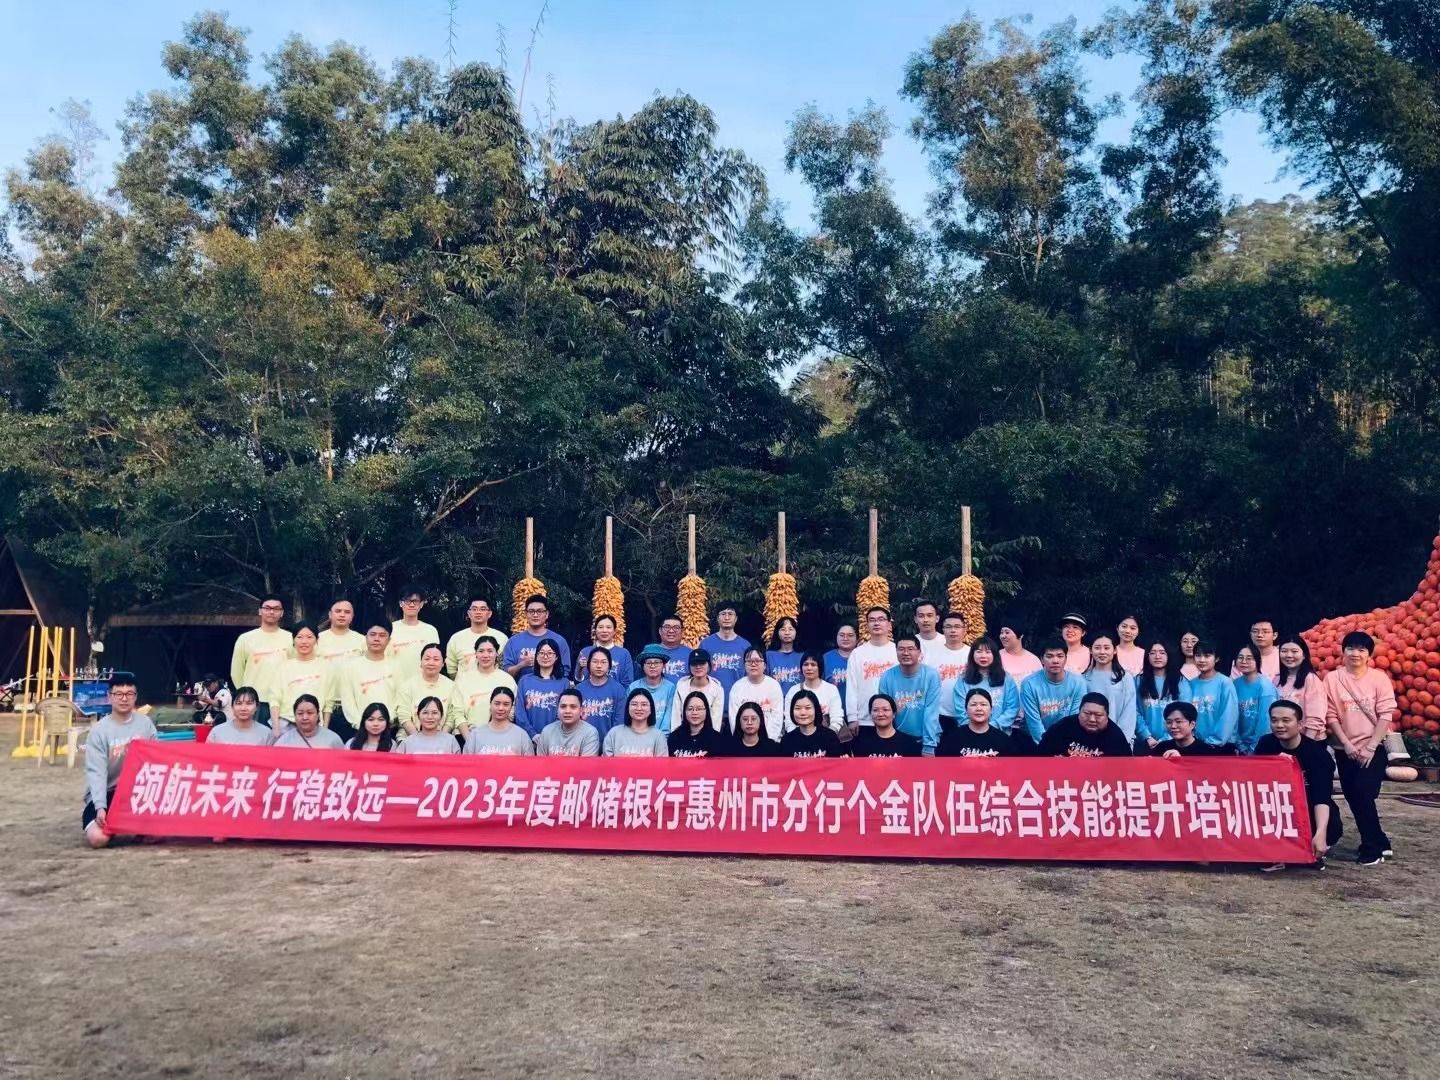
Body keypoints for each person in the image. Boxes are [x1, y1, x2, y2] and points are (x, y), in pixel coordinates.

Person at [1324, 630, 1397, 865]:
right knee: (1354, 797)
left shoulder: (1379, 679)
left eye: (1361, 650)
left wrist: (1370, 747)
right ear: (1343, 652)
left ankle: (1371, 848)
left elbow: (1385, 714)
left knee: (1363, 793)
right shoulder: (1332, 679)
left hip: (1373, 747)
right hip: (1344, 749)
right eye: (1350, 648)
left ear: (1369, 655)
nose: (1355, 654)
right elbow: (1331, 715)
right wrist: (1345, 744)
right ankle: (1380, 840)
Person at [1256, 699, 1342, 868]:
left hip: (1307, 808)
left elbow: (1321, 798)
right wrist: (1275, 764)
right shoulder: (1266, 744)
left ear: (1300, 724)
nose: (1279, 725)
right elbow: (1253, 780)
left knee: (1328, 829)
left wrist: (1321, 833)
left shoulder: (1317, 754)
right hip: (1276, 807)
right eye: (1274, 720)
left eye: (1286, 720)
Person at [82, 672, 158, 848]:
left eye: (129, 694)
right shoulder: (99, 731)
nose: (124, 699)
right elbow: (96, 772)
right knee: (98, 839)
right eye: (118, 694)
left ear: (135, 696)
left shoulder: (145, 724)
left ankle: (137, 826)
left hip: (137, 792)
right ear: (110, 696)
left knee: (156, 834)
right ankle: (114, 823)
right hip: (108, 792)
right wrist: (100, 806)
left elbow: (157, 760)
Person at [230, 594, 293, 726]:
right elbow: (236, 671)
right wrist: (245, 698)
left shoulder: (290, 638)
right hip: (254, 701)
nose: (271, 612)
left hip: (283, 701)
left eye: (276, 609)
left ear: (282, 613)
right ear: (259, 611)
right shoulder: (245, 639)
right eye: (267, 608)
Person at [334, 622, 399, 741]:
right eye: (372, 634)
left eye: (382, 635)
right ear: (365, 637)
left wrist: (384, 722)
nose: (376, 639)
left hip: (389, 730)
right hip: (357, 730)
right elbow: (348, 701)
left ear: (389, 640)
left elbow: (399, 699)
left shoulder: (397, 667)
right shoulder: (350, 667)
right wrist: (361, 724)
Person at [878, 635, 942, 754]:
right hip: (898, 739)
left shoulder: (931, 675)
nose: (906, 653)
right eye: (901, 649)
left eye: (910, 649)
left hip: (925, 739)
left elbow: (931, 711)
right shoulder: (887, 677)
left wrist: (929, 745)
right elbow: (885, 712)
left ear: (919, 652)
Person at [1019, 639, 1088, 744]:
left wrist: (1063, 745)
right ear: (1042, 659)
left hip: (1067, 739)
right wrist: (1048, 746)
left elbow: (1074, 719)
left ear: (1066, 659)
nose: (1055, 661)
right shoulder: (1029, 684)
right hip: (1035, 741)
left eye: (1060, 656)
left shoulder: (1078, 683)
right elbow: (1034, 723)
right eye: (1049, 656)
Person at [451, 636, 518, 737]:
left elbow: (512, 711)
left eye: (490, 651)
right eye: (481, 651)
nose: (485, 655)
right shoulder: (463, 679)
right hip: (465, 736)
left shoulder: (507, 680)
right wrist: (469, 740)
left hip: (499, 736)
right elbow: (457, 713)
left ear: (497, 653)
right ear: (476, 654)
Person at [845, 607, 899, 729]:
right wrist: (852, 717)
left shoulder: (898, 651)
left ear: (889, 624)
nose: (876, 623)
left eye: (881, 619)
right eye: (872, 620)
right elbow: (852, 687)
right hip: (864, 720)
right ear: (867, 625)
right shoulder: (857, 653)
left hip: (895, 719)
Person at [1181, 641, 1239, 751]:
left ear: (1216, 659)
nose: (1202, 660)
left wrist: (1213, 741)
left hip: (1220, 746)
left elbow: (1228, 716)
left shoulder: (1225, 683)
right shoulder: (1191, 684)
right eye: (1198, 655)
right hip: (1195, 744)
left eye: (1207, 656)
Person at [954, 636, 1019, 734]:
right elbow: (960, 709)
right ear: (972, 655)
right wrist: (975, 728)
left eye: (988, 652)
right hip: (970, 733)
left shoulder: (1007, 678)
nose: (983, 656)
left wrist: (992, 727)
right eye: (979, 651)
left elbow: (1012, 708)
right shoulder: (963, 679)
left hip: (1000, 733)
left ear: (995, 655)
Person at [276, 623, 333, 733]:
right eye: (300, 637)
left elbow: (329, 702)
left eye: (309, 637)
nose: (304, 641)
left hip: (316, 725)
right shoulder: (284, 667)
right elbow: (275, 699)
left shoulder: (326, 667)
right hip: (286, 724)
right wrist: (276, 728)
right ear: (293, 640)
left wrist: (325, 729)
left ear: (317, 640)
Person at [1037, 693, 1133, 758]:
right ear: (1079, 712)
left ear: (1107, 716)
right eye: (1087, 713)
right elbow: (1041, 754)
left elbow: (1125, 767)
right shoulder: (1063, 727)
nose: (1092, 719)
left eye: (1098, 715)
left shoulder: (1115, 736)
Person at [1084, 634, 1138, 742]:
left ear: (1115, 650)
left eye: (1107, 648)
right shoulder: (1083, 679)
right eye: (1097, 648)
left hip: (1120, 739)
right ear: (1090, 650)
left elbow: (1129, 713)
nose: (1102, 652)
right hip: (1089, 739)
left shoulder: (1125, 678)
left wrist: (1119, 739)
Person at [502, 595, 572, 678]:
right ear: (526, 614)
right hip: (521, 685)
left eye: (539, 611)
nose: (535, 615)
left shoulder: (559, 641)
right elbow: (506, 674)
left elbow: (565, 672)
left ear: (547, 614)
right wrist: (522, 664)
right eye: (531, 611)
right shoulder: (514, 641)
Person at [396, 643, 456, 737]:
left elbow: (451, 717)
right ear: (421, 662)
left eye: (436, 659)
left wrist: (441, 739)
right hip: (410, 737)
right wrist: (419, 739)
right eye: (427, 659)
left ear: (443, 663)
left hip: (442, 738)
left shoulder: (451, 686)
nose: (431, 663)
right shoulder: (407, 686)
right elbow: (404, 716)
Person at [1275, 635, 1328, 741]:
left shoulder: (1311, 679)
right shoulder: (1276, 680)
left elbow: (1315, 717)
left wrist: (1305, 745)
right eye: (1284, 651)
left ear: (1304, 655)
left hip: (1309, 740)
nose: (1289, 655)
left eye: (1294, 651)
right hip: (1285, 741)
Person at [515, 638, 570, 737]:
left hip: (555, 737)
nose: (545, 656)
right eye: (541, 653)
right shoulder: (525, 681)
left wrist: (548, 736)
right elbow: (519, 712)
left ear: (556, 657)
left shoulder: (564, 683)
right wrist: (532, 734)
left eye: (550, 653)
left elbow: (564, 713)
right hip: (526, 737)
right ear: (536, 656)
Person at [1136, 642, 1184, 752]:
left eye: (1162, 653)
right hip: (1146, 742)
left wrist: (1166, 739)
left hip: (1174, 741)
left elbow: (1184, 712)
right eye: (1153, 653)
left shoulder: (1180, 681)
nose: (1157, 656)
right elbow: (1135, 711)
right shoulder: (1138, 681)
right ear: (1147, 657)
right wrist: (1147, 736)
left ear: (1169, 656)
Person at [936, 687, 1012, 757]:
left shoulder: (1003, 739)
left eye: (983, 704)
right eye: (973, 704)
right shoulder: (952, 738)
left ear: (991, 710)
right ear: (966, 710)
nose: (979, 708)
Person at [1233, 644, 1280, 754]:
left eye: (1249, 658)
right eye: (1240, 657)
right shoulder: (1235, 684)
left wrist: (1254, 749)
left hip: (1260, 746)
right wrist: (1239, 745)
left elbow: (1265, 723)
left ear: (1257, 661)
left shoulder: (1265, 687)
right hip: (1239, 746)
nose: (1244, 661)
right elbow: (1232, 717)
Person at [930, 612, 973, 733]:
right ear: (943, 630)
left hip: (967, 714)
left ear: (964, 630)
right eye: (948, 627)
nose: (953, 630)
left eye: (957, 627)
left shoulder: (972, 654)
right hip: (939, 714)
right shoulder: (931, 655)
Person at [728, 647, 783, 741]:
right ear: (744, 665)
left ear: (765, 665)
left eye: (757, 661)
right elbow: (734, 718)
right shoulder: (737, 687)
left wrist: (768, 740)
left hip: (770, 740)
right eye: (749, 661)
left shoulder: (774, 686)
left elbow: (777, 717)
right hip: (744, 740)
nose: (753, 664)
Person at [461, 687, 535, 756]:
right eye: (497, 703)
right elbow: (466, 763)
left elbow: (529, 763)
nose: (500, 708)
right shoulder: (475, 735)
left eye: (506, 704)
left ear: (511, 707)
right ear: (490, 704)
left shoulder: (521, 736)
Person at [700, 603, 751, 702]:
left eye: (730, 614)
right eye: (723, 614)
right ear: (718, 618)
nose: (727, 617)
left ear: (736, 619)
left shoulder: (745, 646)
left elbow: (750, 676)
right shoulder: (705, 644)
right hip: (710, 700)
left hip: (738, 700)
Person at [783, 652, 845, 732]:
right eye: (806, 664)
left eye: (813, 665)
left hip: (826, 735)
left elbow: (836, 718)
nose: (809, 668)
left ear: (820, 667)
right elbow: (789, 720)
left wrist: (830, 735)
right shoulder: (793, 690)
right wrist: (795, 736)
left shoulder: (831, 689)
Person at [446, 597, 508, 676]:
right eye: (474, 609)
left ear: (489, 614)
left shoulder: (501, 638)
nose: (478, 612)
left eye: (482, 609)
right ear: (469, 613)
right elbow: (451, 669)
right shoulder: (456, 638)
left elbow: (505, 666)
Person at [575, 647, 627, 738]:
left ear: (610, 665)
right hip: (583, 742)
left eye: (603, 662)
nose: (599, 666)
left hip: (609, 742)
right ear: (588, 664)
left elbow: (619, 722)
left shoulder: (618, 690)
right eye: (595, 662)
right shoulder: (579, 689)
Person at [602, 688, 671, 757]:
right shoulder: (614, 734)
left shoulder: (659, 736)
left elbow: (662, 763)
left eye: (644, 704)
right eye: (634, 704)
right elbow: (606, 762)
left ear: (651, 709)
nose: (639, 708)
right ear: (627, 708)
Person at [850, 694, 923, 757]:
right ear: (870, 714)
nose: (880, 714)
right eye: (875, 710)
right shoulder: (861, 742)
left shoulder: (910, 743)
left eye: (885, 710)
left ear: (894, 714)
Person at [778, 689, 845, 757]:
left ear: (816, 709)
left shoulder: (829, 736)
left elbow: (837, 762)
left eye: (808, 708)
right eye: (797, 708)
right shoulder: (787, 740)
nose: (803, 713)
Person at [534, 688, 601, 756]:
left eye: (573, 707)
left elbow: (587, 762)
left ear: (581, 710)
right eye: (563, 706)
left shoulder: (590, 733)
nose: (567, 711)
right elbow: (540, 761)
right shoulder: (547, 732)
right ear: (557, 709)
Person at [671, 649, 725, 731]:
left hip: (708, 735)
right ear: (689, 666)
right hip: (683, 734)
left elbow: (716, 721)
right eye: (694, 664)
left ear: (709, 665)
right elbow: (676, 717)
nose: (698, 667)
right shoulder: (681, 687)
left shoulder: (717, 689)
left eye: (702, 663)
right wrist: (676, 736)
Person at [627, 644, 677, 733]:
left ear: (664, 665)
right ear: (643, 666)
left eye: (656, 662)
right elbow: (629, 715)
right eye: (649, 663)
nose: (653, 666)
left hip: (663, 737)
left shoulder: (670, 688)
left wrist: (660, 737)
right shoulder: (634, 687)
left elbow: (669, 717)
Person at [389, 585, 440, 666]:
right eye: (407, 601)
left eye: (415, 601)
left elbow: (435, 659)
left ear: (421, 604)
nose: (412, 605)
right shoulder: (390, 629)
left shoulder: (430, 630)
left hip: (422, 674)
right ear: (400, 603)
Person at [577, 614, 634, 687]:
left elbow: (627, 683)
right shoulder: (585, 652)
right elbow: (578, 682)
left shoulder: (624, 654)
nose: (604, 631)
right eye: (600, 627)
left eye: (608, 627)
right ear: (595, 630)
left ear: (614, 631)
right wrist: (579, 669)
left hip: (616, 693)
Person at [207, 686, 275, 745]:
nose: (243, 708)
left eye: (249, 703)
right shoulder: (217, 732)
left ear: (257, 707)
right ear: (232, 706)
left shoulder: (266, 734)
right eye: (239, 703)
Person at [274, 694, 346, 749]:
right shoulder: (284, 741)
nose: (305, 717)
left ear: (318, 715)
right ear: (295, 716)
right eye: (300, 713)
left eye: (310, 713)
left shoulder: (333, 739)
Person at [395, 696, 461, 754]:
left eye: (434, 713)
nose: (430, 717)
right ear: (418, 715)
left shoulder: (451, 741)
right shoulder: (407, 743)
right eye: (425, 713)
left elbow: (458, 763)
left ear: (441, 716)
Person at [669, 691, 727, 757]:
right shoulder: (674, 738)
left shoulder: (717, 739)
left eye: (699, 709)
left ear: (707, 711)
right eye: (690, 709)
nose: (695, 712)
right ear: (684, 711)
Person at [1152, 701, 1218, 758]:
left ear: (1192, 724)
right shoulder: (1161, 748)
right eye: (1169, 722)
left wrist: (1180, 760)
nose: (1173, 726)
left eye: (1178, 722)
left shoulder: (1207, 751)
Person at [317, 599, 366, 668]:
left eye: (347, 612)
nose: (342, 615)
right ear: (330, 614)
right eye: (338, 611)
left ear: (352, 616)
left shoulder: (362, 640)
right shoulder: (318, 639)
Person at [766, 617, 803, 695]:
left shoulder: (802, 656)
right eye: (783, 629)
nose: (787, 633)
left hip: (798, 699)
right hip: (775, 698)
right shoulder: (769, 655)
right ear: (777, 632)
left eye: (790, 629)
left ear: (796, 632)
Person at [651, 615, 691, 680]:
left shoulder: (690, 654)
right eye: (667, 627)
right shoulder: (649, 653)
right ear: (660, 631)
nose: (671, 631)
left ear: (682, 632)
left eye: (676, 627)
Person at [823, 625, 858, 695]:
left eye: (850, 635)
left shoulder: (862, 657)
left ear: (857, 639)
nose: (845, 638)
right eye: (841, 635)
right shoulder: (826, 658)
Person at [913, 600, 947, 668]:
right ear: (915, 619)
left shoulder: (947, 642)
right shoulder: (910, 643)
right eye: (921, 616)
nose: (926, 620)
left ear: (937, 618)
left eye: (929, 615)